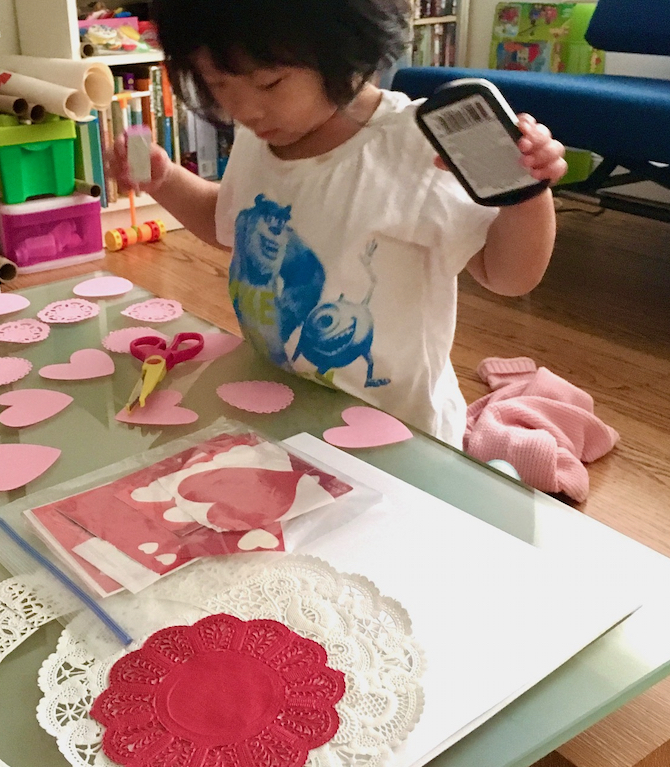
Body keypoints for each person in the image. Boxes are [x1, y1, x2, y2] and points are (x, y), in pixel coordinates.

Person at [108, 0, 567, 445]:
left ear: (345, 50)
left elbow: (509, 275)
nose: (245, 111)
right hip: (284, 406)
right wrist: (164, 180)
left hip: (400, 433)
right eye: (221, 86)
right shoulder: (259, 137)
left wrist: (526, 194)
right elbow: (227, 221)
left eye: (270, 83)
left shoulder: (411, 148)